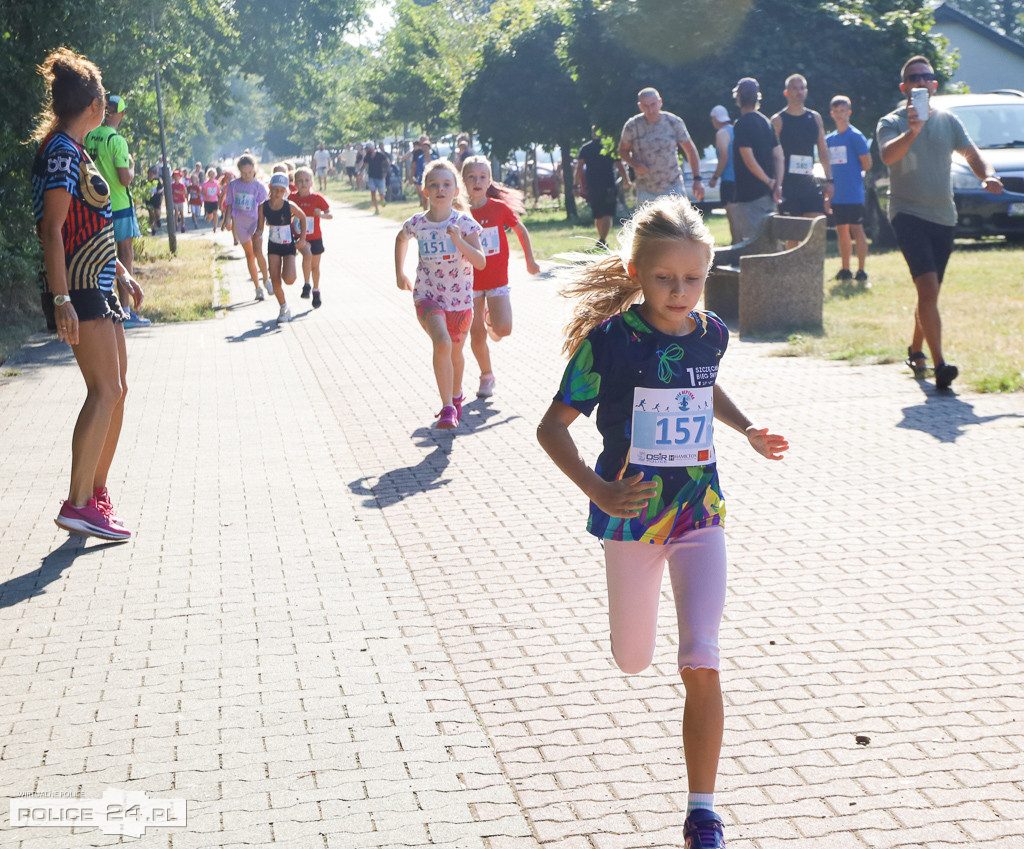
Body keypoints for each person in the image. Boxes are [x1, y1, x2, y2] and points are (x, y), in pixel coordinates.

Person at [536, 195, 789, 849]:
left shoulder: (711, 331)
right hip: (633, 521)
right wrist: (596, 486)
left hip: (700, 512)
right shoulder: (610, 343)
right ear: (635, 272)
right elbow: (552, 427)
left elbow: (701, 383)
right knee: (633, 657)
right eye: (664, 279)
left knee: (701, 656)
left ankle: (703, 811)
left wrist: (748, 428)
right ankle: (633, 647)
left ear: (707, 272)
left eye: (693, 278)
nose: (680, 292)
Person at [32, 47, 147, 541]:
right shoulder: (59, 151)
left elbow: (89, 225)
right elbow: (53, 230)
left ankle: (95, 496)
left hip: (101, 285)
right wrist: (60, 300)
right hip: (78, 289)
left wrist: (120, 269)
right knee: (104, 391)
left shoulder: (75, 149)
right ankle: (78, 503)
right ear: (96, 105)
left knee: (116, 391)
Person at [877, 55, 1003, 390]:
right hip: (907, 213)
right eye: (914, 78)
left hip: (943, 216)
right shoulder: (890, 122)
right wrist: (913, 131)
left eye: (926, 77)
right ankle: (940, 366)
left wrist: (988, 175)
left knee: (928, 294)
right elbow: (888, 156)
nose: (920, 82)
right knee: (928, 288)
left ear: (934, 85)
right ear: (905, 87)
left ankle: (916, 349)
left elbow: (972, 154)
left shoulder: (948, 121)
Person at [394, 160, 486, 429]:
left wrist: (458, 241)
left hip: (459, 301)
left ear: (456, 191)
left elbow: (480, 262)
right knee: (442, 343)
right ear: (425, 192)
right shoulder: (417, 223)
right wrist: (400, 273)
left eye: (446, 184)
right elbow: (401, 238)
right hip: (427, 296)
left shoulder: (465, 224)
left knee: (455, 353)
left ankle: (456, 397)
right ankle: (447, 408)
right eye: (433, 185)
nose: (440, 189)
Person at [461, 155, 541, 399]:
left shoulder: (498, 208)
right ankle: (486, 376)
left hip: (496, 280)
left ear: (489, 181)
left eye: (482, 177)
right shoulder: (458, 212)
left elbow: (520, 229)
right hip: (469, 282)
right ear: (463, 181)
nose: (477, 181)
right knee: (476, 335)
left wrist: (530, 260)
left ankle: (491, 318)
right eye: (472, 177)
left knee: (503, 330)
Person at [83, 93, 149, 328]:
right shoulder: (117, 141)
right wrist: (131, 167)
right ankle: (127, 313)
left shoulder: (88, 135)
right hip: (119, 206)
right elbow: (124, 179)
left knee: (101, 258)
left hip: (95, 206)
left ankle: (106, 309)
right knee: (125, 257)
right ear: (121, 113)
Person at [618, 87, 705, 206]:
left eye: (653, 104)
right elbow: (623, 151)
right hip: (645, 189)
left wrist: (697, 179)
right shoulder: (632, 126)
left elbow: (690, 150)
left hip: (673, 185)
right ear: (640, 106)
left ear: (660, 102)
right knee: (649, 225)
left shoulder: (674, 122)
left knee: (678, 224)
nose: (651, 110)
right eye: (646, 106)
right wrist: (635, 164)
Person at [826, 95, 872, 285]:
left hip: (853, 193)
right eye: (836, 111)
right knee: (841, 231)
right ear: (832, 114)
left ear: (849, 112)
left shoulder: (855, 136)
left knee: (857, 229)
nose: (839, 114)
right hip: (837, 194)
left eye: (843, 110)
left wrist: (851, 173)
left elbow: (867, 163)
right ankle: (845, 268)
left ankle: (861, 269)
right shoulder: (829, 140)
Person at [730, 77, 783, 241]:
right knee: (772, 240)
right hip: (769, 194)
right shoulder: (766, 122)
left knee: (754, 245)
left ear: (738, 97)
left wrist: (769, 181)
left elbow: (749, 160)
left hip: (750, 194)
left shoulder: (741, 124)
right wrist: (777, 185)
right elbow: (779, 156)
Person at [258, 172, 307, 323]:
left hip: (288, 246)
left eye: (281, 190)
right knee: (275, 280)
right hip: (273, 246)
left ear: (285, 192)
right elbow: (260, 228)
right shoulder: (263, 207)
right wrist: (256, 234)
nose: (277, 193)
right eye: (274, 190)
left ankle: (290, 272)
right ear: (270, 188)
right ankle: (284, 308)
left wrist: (303, 237)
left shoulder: (289, 206)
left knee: (289, 279)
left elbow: (303, 216)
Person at [223, 154, 271, 301]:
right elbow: (229, 204)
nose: (246, 176)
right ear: (239, 171)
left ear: (254, 170)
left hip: (255, 222)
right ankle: (257, 288)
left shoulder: (258, 186)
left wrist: (266, 221)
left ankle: (266, 279)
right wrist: (227, 221)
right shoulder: (234, 185)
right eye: (243, 173)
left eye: (249, 173)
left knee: (258, 251)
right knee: (249, 255)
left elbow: (265, 206)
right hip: (240, 223)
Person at [574, 127, 631, 248]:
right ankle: (602, 238)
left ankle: (602, 239)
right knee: (607, 214)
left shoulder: (586, 148)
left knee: (598, 214)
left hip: (593, 185)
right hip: (608, 184)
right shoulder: (609, 148)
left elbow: (579, 168)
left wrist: (576, 185)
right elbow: (619, 165)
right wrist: (626, 180)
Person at [290, 165, 332, 308]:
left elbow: (330, 214)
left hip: (315, 237)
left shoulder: (317, 198)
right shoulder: (292, 198)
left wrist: (320, 214)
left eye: (307, 180)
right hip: (298, 236)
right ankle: (306, 284)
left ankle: (316, 290)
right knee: (306, 254)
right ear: (295, 183)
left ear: (311, 183)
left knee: (315, 266)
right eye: (300, 180)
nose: (303, 183)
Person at [707, 105, 739, 245]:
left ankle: (736, 246)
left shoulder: (721, 133)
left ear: (714, 119)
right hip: (740, 179)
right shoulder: (736, 130)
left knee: (732, 218)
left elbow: (724, 157)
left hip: (728, 180)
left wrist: (715, 177)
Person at [364, 142, 390, 215]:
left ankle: (382, 200)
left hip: (380, 176)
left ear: (371, 148)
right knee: (373, 193)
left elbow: (387, 163)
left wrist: (385, 172)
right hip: (371, 177)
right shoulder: (367, 156)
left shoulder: (380, 155)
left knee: (381, 193)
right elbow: (365, 164)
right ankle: (376, 209)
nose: (367, 150)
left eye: (367, 148)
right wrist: (360, 172)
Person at [201, 167, 220, 232]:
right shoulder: (205, 184)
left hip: (214, 201)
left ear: (215, 175)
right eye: (210, 174)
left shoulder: (217, 183)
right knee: (210, 215)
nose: (212, 175)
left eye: (213, 174)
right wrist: (206, 196)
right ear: (208, 175)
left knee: (215, 213)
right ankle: (208, 218)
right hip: (207, 201)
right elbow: (203, 192)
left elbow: (218, 192)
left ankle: (215, 227)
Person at [170, 169, 187, 233]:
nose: (176, 177)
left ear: (180, 177)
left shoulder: (182, 185)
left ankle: (183, 224)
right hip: (174, 201)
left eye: (177, 176)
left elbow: (185, 192)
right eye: (175, 176)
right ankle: (176, 224)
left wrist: (178, 192)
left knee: (182, 213)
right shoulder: (172, 185)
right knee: (176, 211)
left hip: (181, 201)